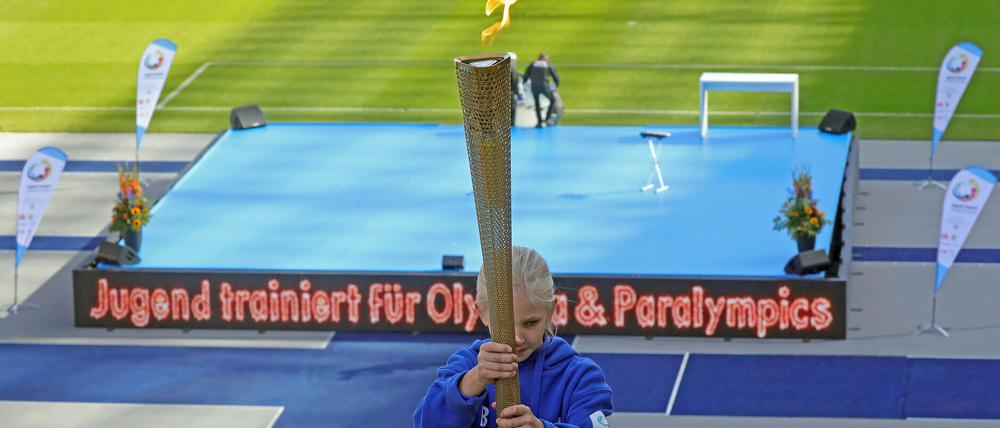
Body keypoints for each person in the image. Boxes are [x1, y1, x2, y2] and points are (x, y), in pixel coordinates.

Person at [414, 246, 613, 428]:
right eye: (504, 324)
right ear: (482, 312)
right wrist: (475, 379)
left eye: (530, 323)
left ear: (551, 311)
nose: (517, 339)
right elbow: (425, 423)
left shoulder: (579, 375)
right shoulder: (466, 365)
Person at [523, 53, 560, 128]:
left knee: (537, 103)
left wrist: (524, 82)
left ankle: (539, 121)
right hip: (544, 87)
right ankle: (547, 119)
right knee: (552, 100)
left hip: (534, 87)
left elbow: (526, 75)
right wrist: (556, 85)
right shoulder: (548, 65)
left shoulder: (533, 64)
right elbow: (555, 77)